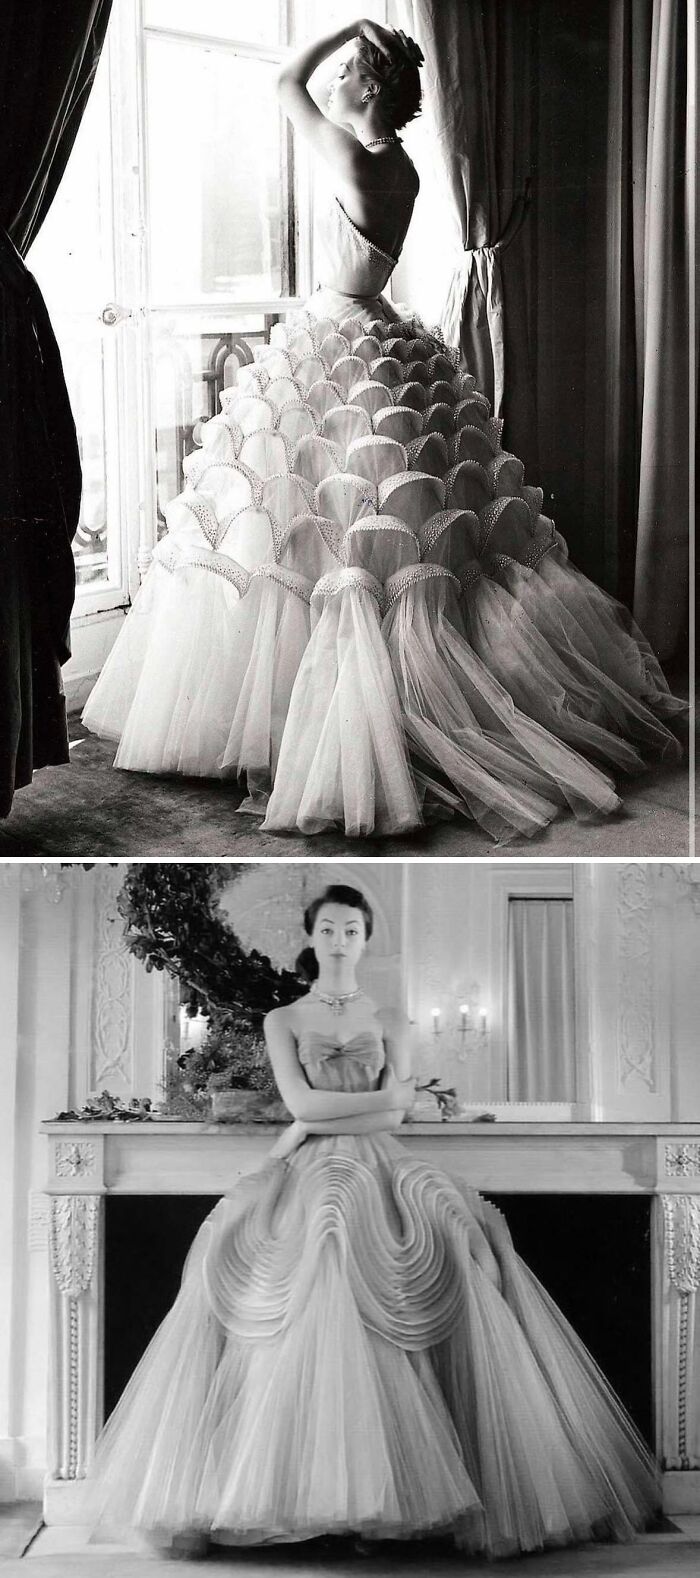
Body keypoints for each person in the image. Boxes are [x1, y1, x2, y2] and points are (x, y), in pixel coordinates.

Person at [81, 20, 685, 840]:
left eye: (346, 71)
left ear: (367, 88)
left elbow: (285, 83)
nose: (331, 80)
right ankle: (361, 698)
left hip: (339, 335)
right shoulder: (399, 165)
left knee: (320, 530)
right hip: (383, 333)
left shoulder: (354, 157)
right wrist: (365, 45)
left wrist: (344, 28)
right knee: (365, 532)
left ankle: (342, 719)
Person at [77, 883, 660, 1558]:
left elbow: (389, 1115)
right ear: (311, 936)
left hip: (383, 1163)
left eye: (351, 930)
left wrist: (330, 1115)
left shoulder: (391, 1020)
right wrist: (357, 1108)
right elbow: (309, 1103)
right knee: (299, 1246)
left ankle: (403, 1495)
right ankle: (295, 1493)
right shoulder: (283, 1020)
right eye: (329, 929)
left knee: (453, 1249)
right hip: (310, 1171)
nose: (340, 941)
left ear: (366, 938)